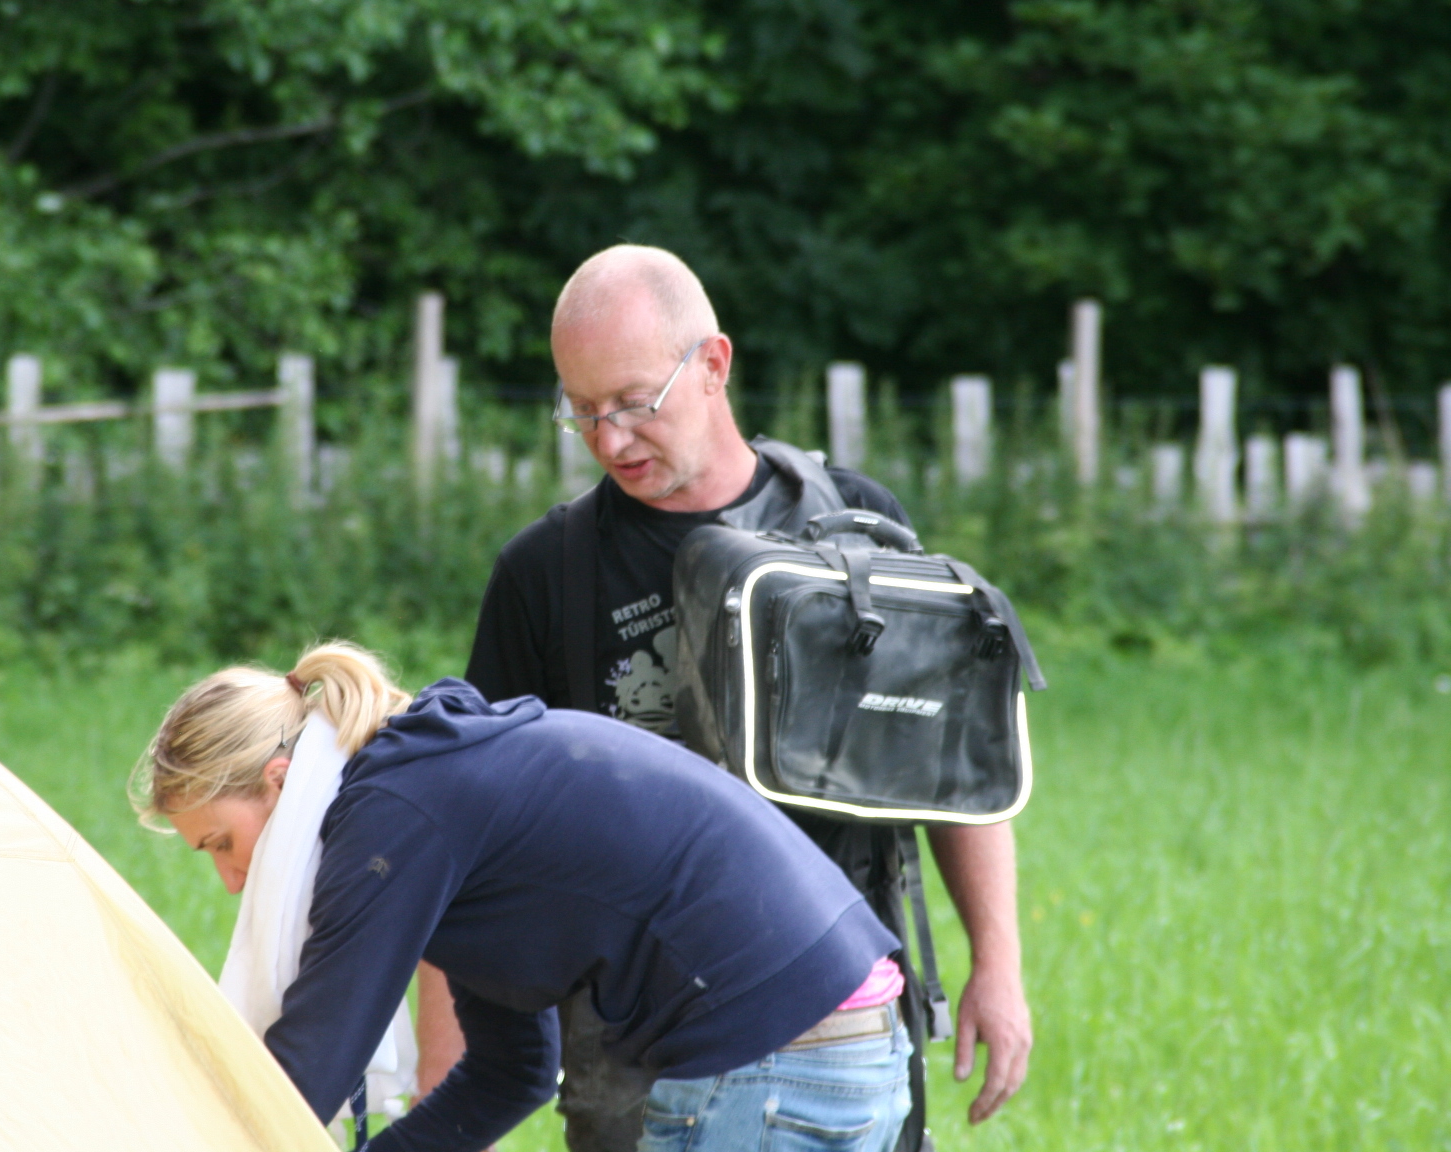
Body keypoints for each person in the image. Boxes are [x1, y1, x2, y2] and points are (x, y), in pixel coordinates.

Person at [445, 244, 1031, 1151]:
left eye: (633, 402)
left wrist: (998, 963)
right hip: (639, 1064)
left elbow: (945, 764)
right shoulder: (546, 574)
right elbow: (465, 833)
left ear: (713, 364)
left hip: (849, 1045)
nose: (609, 440)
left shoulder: (858, 527)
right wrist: (447, 1087)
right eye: (582, 411)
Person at [132, 642, 915, 1152]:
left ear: (278, 783)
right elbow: (514, 1069)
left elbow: (304, 1074)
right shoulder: (430, 783)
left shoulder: (392, 814)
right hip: (849, 1035)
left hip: (772, 1054)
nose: (232, 879)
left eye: (221, 843)